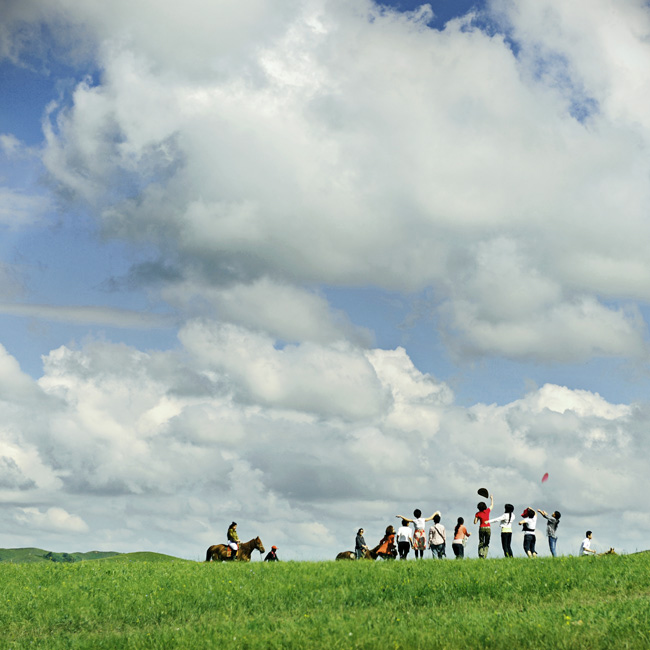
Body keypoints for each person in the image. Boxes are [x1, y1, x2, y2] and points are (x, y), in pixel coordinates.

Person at [474, 494, 494, 559]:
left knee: (481, 542)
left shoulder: (478, 514)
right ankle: (484, 556)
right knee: (486, 543)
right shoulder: (487, 511)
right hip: (488, 528)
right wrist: (491, 499)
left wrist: (476, 517)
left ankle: (480, 554)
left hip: (482, 528)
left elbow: (475, 522)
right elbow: (492, 505)